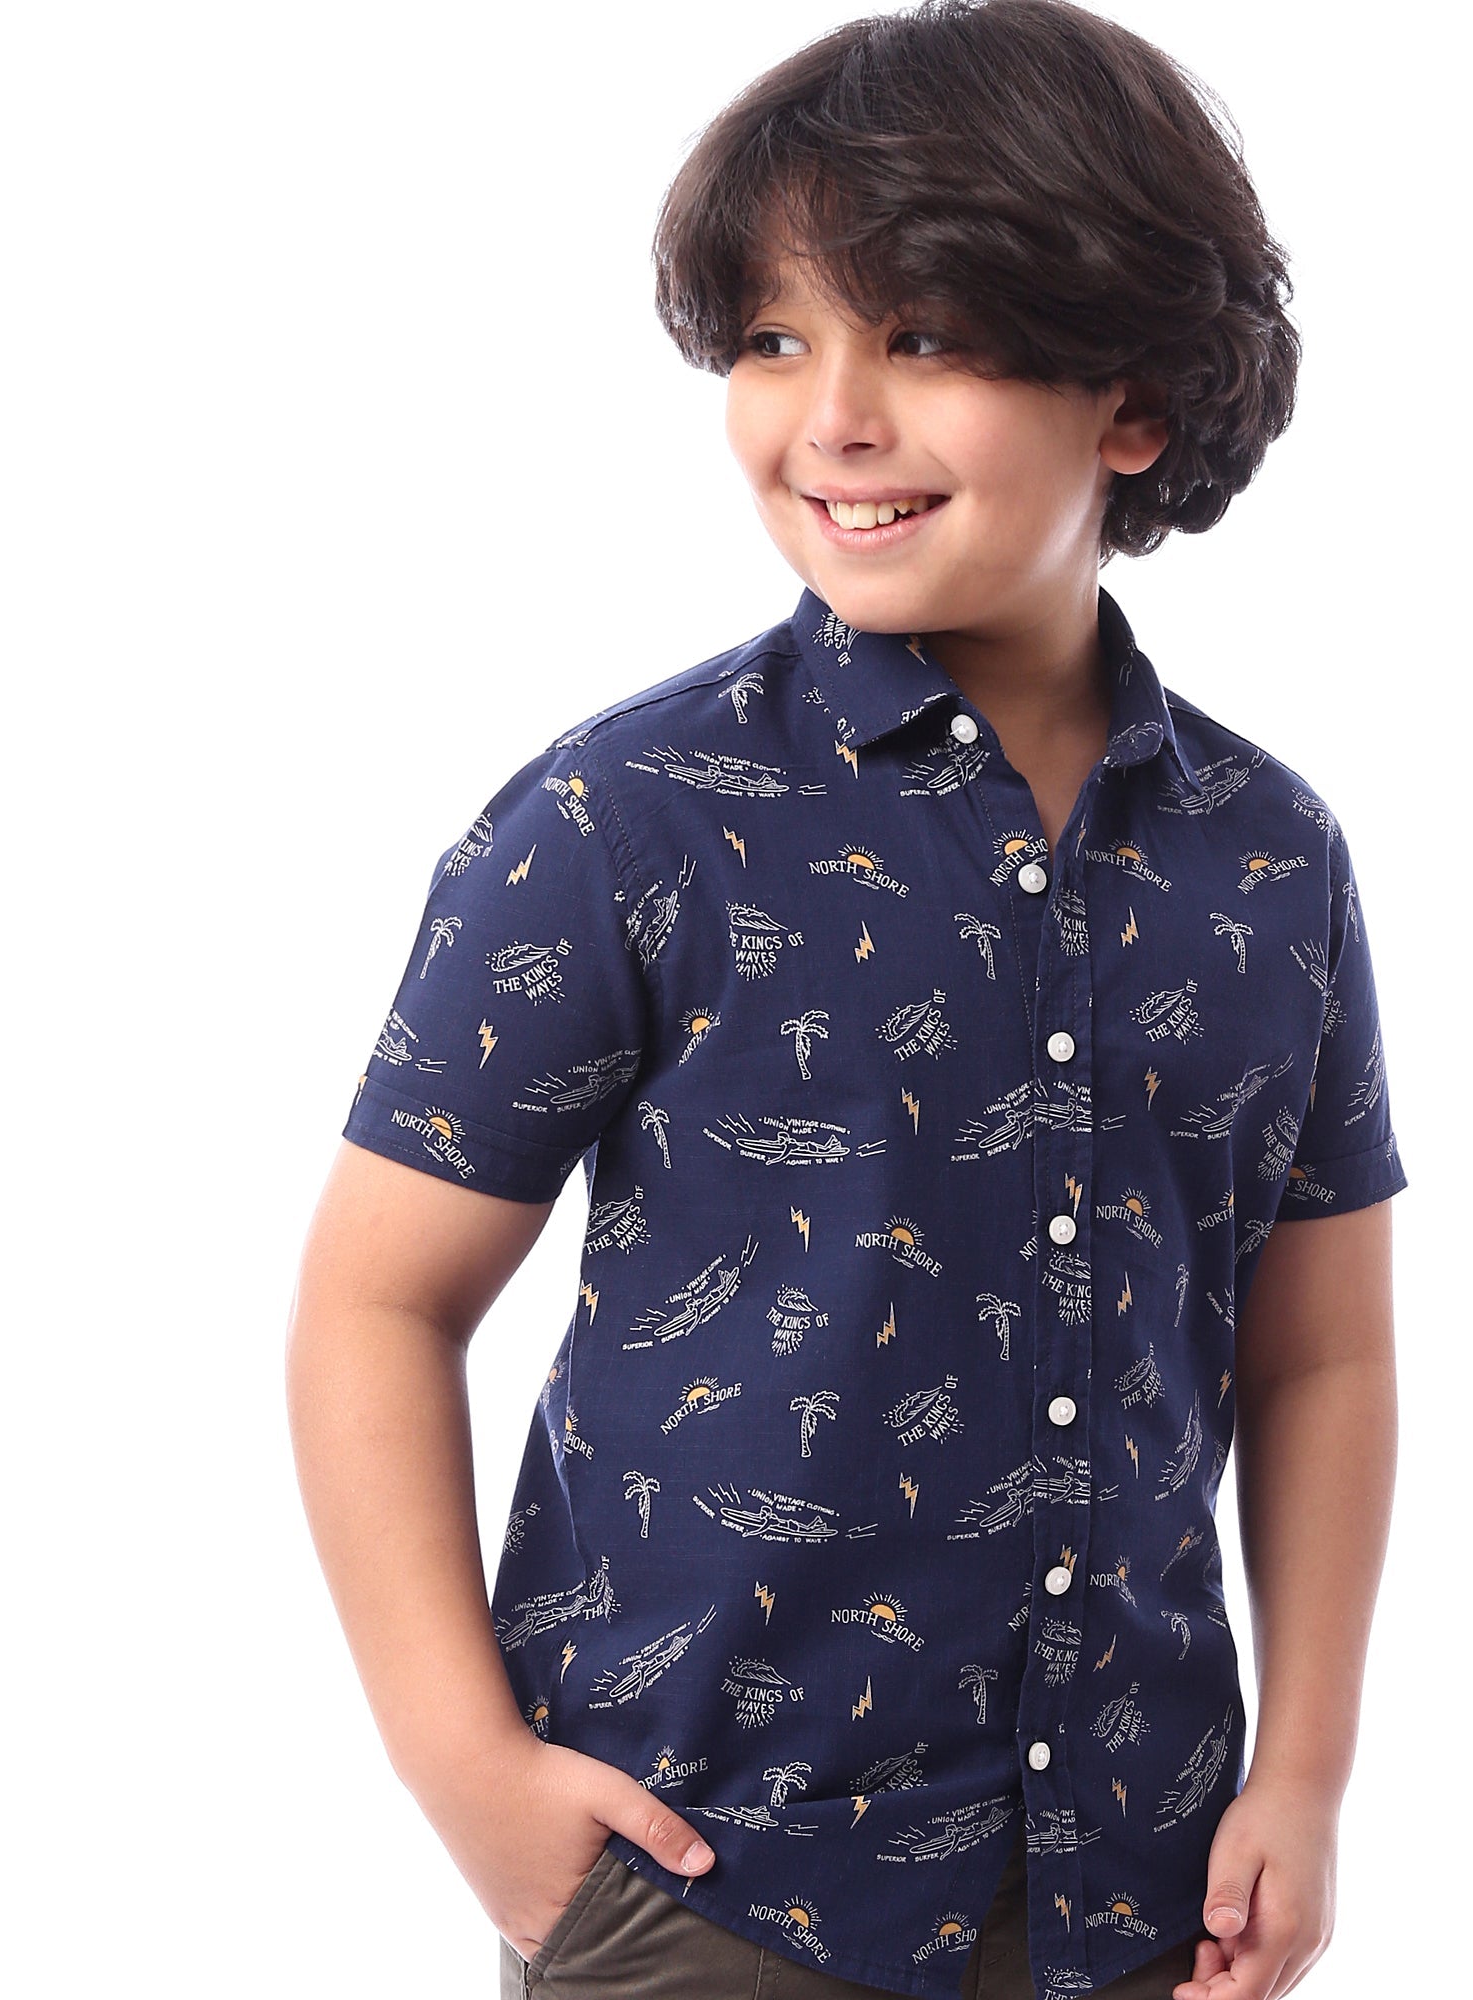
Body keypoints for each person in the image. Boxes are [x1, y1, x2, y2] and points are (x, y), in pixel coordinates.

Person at [285, 3, 1407, 1997]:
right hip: (711, 1877)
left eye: (926, 336)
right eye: (774, 339)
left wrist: (1304, 1776)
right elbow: (375, 1300)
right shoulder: (625, 819)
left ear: (1133, 400)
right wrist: (473, 1783)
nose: (834, 418)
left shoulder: (1270, 859)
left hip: (1145, 1892)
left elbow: (1319, 1355)